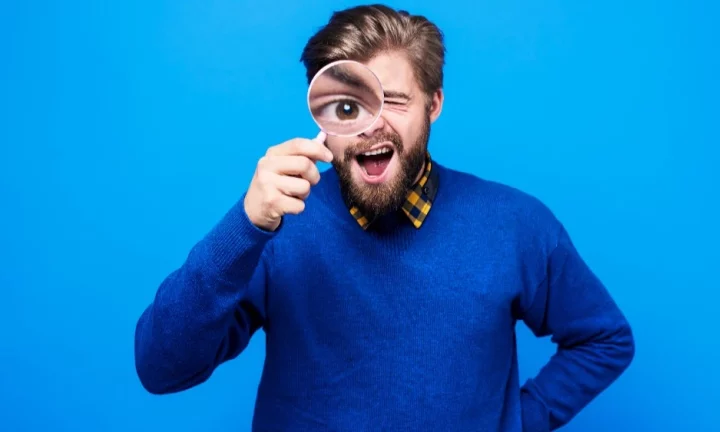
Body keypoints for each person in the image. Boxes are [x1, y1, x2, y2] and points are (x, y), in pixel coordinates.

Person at [134, 4, 635, 431]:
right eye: (347, 107)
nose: (372, 126)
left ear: (433, 104)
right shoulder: (280, 225)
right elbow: (161, 368)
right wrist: (245, 226)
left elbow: (605, 338)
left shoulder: (516, 225)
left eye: (393, 101)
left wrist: (515, 420)